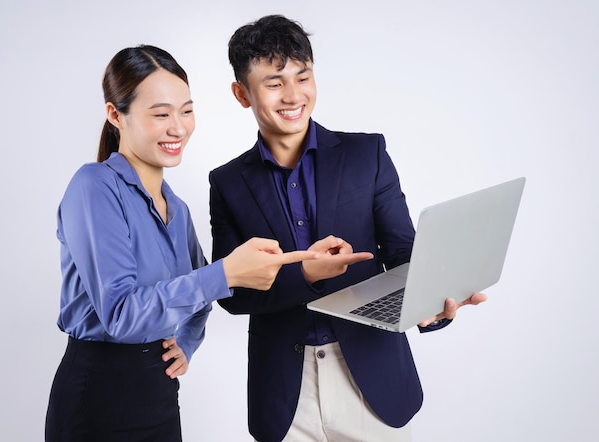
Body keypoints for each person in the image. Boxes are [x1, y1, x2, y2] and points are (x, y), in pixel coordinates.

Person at [209, 15, 487, 442]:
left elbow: (402, 252)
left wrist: (430, 300)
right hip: (283, 392)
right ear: (241, 94)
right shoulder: (227, 183)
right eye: (274, 82)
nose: (293, 95)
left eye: (303, 77)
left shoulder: (366, 153)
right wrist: (304, 277)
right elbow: (231, 293)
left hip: (372, 379)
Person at [44, 44, 319, 442]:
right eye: (160, 114)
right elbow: (121, 314)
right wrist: (224, 273)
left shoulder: (177, 207)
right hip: (99, 395)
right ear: (114, 115)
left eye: (186, 111)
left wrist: (187, 341)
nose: (178, 127)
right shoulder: (95, 186)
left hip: (158, 390)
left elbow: (199, 294)